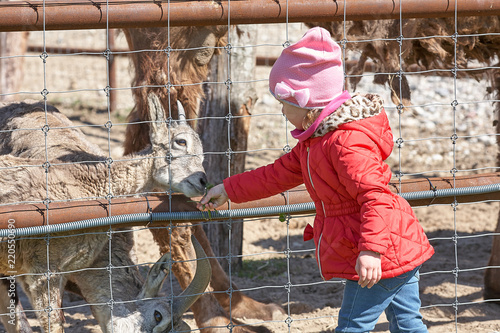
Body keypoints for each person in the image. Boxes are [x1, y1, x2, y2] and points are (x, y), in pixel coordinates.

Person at [197, 27, 434, 333]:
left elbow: (378, 197)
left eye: (284, 102)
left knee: (351, 326)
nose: (281, 110)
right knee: (408, 324)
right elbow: (275, 175)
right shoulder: (315, 143)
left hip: (380, 253)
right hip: (394, 248)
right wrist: (228, 189)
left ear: (306, 104)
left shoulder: (344, 144)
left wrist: (371, 251)